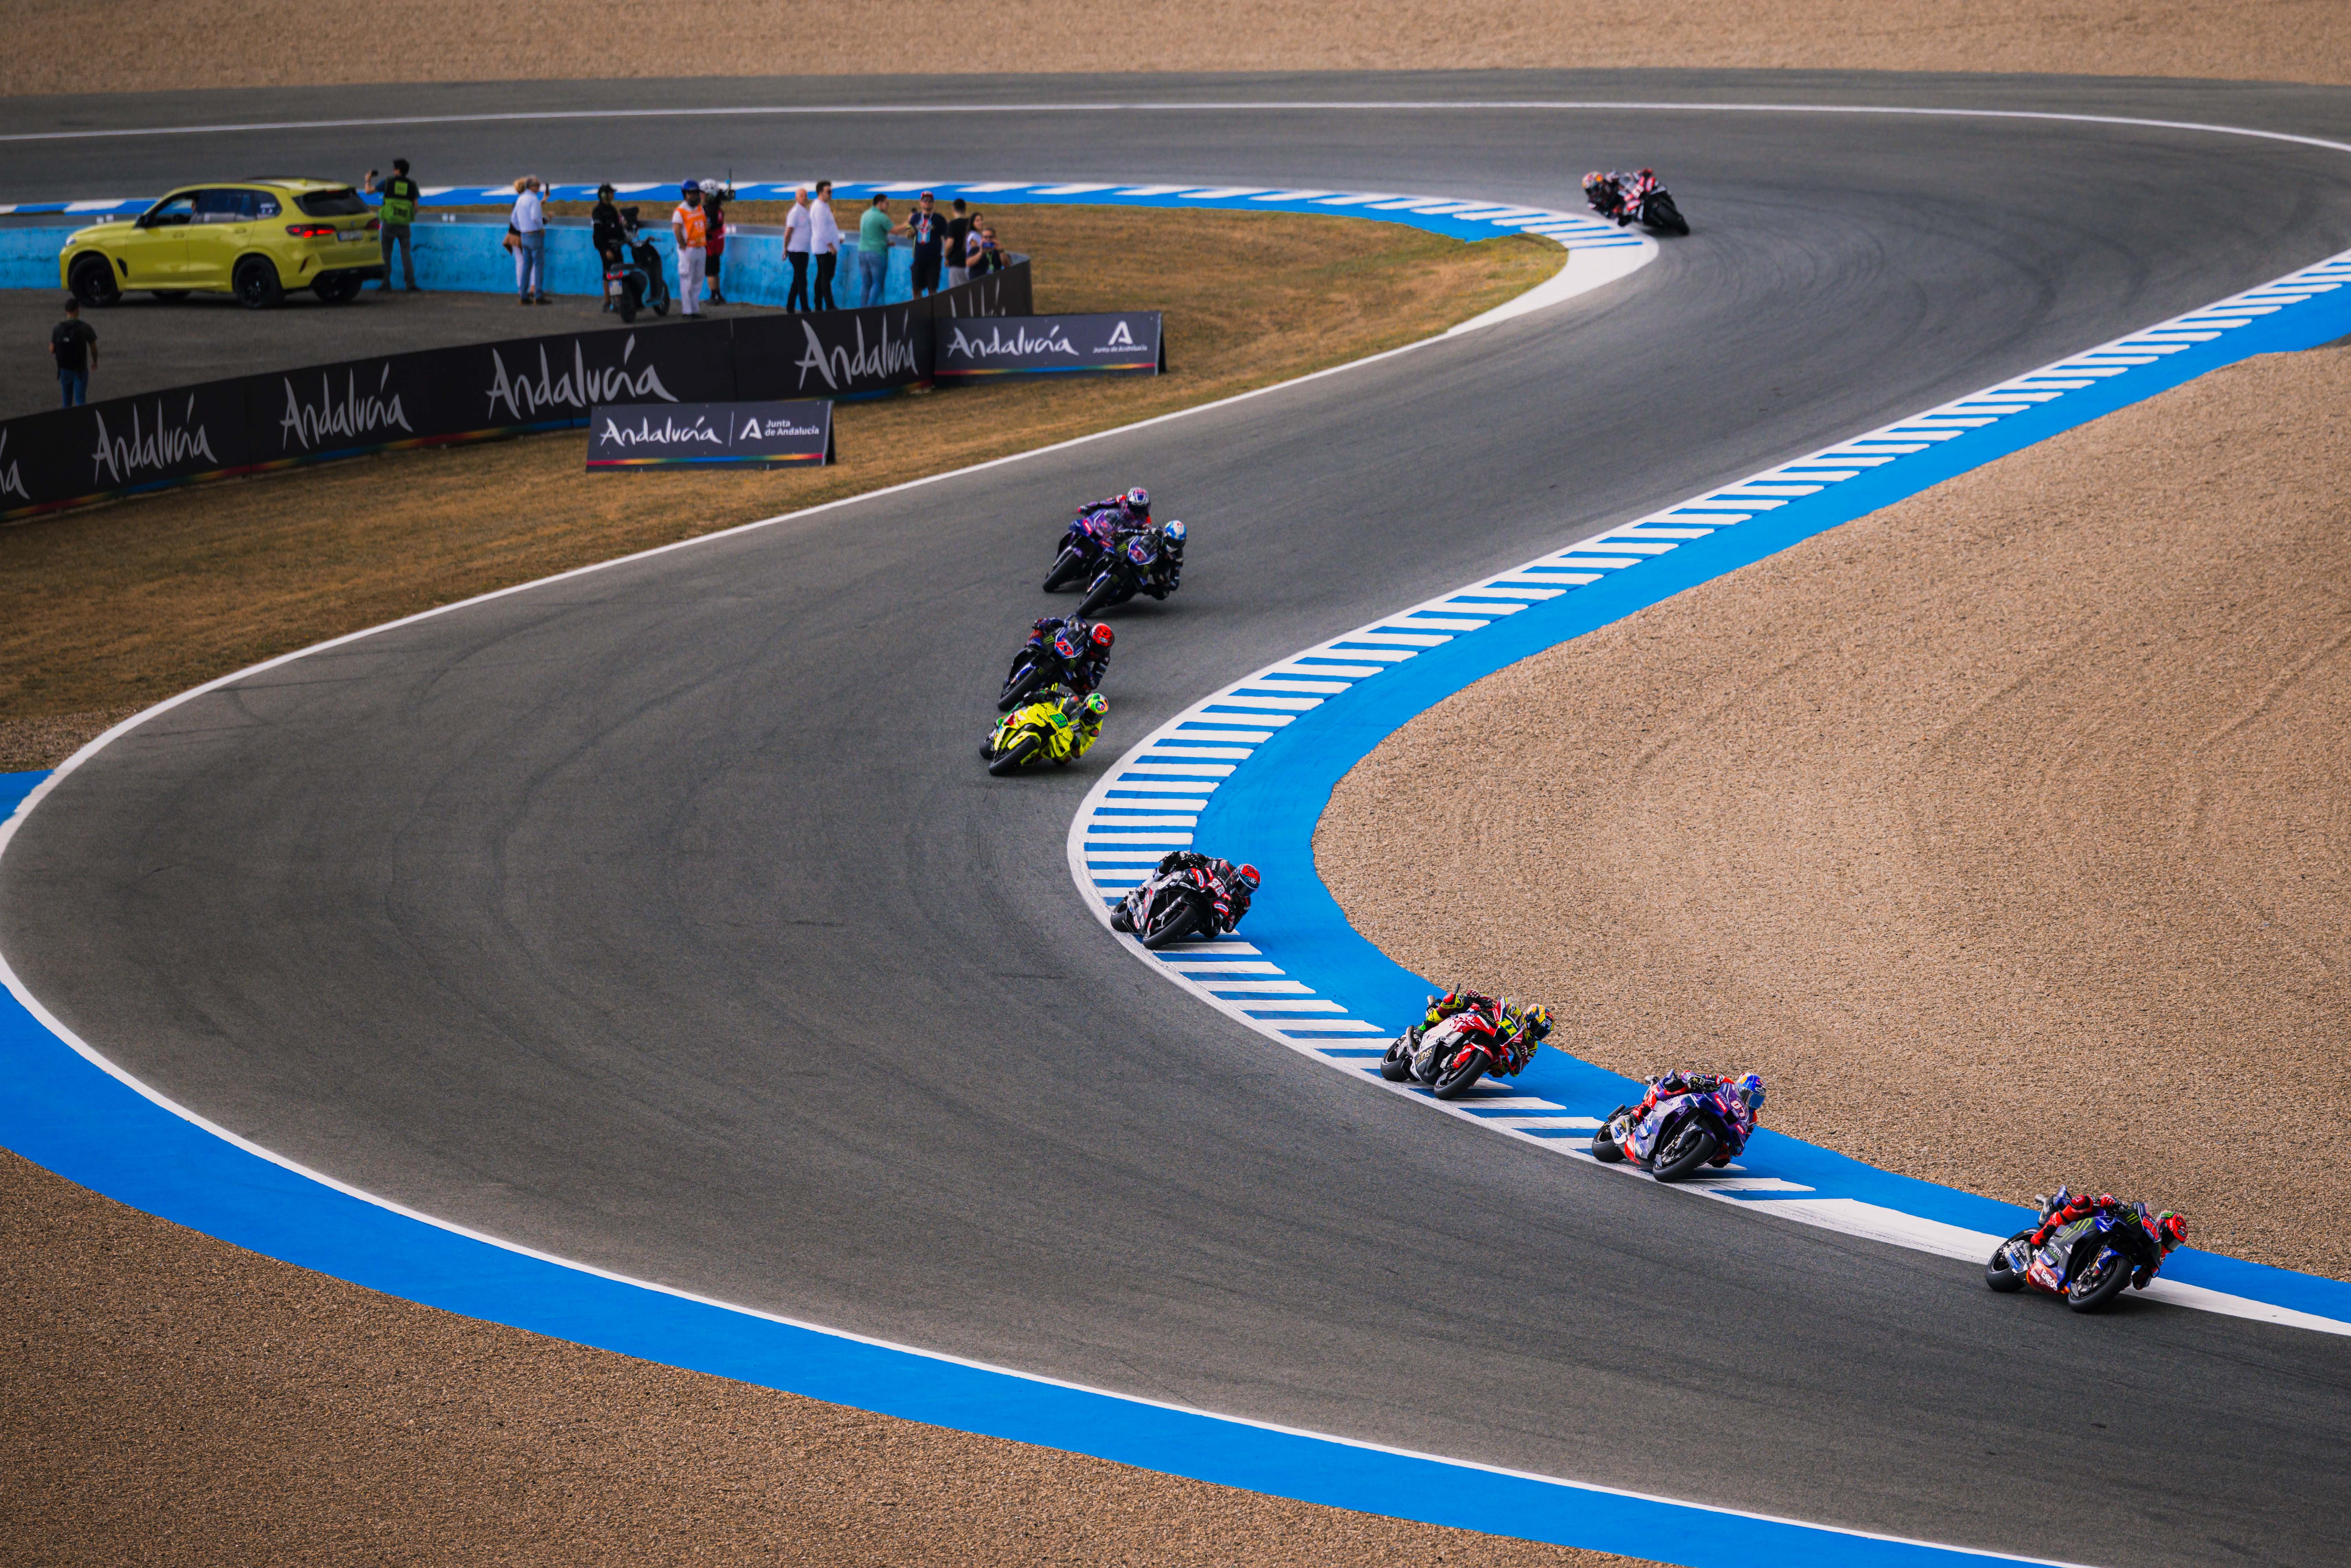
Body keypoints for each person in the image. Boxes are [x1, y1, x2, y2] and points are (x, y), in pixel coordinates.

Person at [2026, 1188, 2189, 1289]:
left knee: (2125, 1283)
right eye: (2171, 1239)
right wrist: (2112, 1201)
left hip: (2117, 1261)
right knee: (2085, 1201)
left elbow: (2140, 1284)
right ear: (2162, 1226)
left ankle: (2093, 1282)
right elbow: (2123, 1207)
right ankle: (2045, 1232)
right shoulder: (2145, 1223)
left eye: (2175, 1244)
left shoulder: (2159, 1257)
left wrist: (2138, 1276)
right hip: (2101, 1223)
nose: (2170, 1245)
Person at [1111, 850, 1260, 935]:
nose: (1243, 892)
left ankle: (1177, 927)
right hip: (1202, 885)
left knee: (1213, 933)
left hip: (1211, 913)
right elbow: (1206, 860)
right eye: (1242, 886)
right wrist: (1194, 858)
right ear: (1236, 878)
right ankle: (1144, 888)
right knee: (1177, 857)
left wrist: (1232, 910)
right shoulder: (1225, 865)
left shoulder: (1245, 903)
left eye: (1248, 890)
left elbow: (1229, 928)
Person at [1409, 990, 1553, 1076]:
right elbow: (1497, 1006)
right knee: (1455, 999)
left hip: (1494, 1055)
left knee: (1499, 1070)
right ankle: (1423, 1028)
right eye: (1537, 1028)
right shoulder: (1516, 1014)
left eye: (1542, 1033)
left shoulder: (1532, 1048)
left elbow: (1515, 1072)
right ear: (1530, 1018)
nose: (1537, 1034)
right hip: (1487, 1027)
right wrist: (1481, 997)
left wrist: (1520, 1059)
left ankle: (1467, 1070)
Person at [988, 686, 1108, 767]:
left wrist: (1077, 746)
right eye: (1091, 714)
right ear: (1086, 706)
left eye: (1097, 718)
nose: (1093, 719)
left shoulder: (1095, 729)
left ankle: (1036, 754)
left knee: (1065, 759)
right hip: (1056, 716)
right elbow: (1059, 694)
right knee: (1029, 698)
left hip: (1066, 734)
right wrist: (1046, 694)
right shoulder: (1077, 700)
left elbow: (1082, 750)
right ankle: (1005, 719)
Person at [362, 158, 421, 291]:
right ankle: (410, 284)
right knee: (406, 254)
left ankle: (386, 284)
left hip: (389, 223)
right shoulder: (412, 184)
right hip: (404, 224)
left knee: (386, 254)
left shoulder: (388, 182)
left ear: (398, 171)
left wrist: (368, 180)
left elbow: (368, 191)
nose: (393, 171)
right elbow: (416, 207)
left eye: (395, 169)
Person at [1016, 617, 1114, 695]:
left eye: (1102, 649)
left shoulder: (1105, 658)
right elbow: (1062, 623)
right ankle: (1028, 649)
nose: (1099, 651)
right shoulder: (1085, 628)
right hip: (1068, 646)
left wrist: (1087, 674)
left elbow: (1095, 683)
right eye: (1097, 646)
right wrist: (1046, 623)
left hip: (1080, 663)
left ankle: (1064, 682)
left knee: (1086, 690)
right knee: (1040, 629)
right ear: (1091, 639)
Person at [50, 296, 96, 408]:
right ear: (77, 310)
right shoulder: (85, 327)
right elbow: (94, 348)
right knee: (81, 400)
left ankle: (67, 419)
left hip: (64, 369)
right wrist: (95, 361)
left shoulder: (58, 329)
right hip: (80, 370)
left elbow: (52, 350)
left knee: (67, 402)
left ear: (66, 310)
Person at [671, 182, 707, 318]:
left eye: (695, 193)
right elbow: (677, 229)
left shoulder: (700, 208)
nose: (693, 196)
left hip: (701, 247)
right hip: (689, 249)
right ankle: (687, 311)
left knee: (698, 281)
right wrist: (683, 245)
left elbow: (704, 224)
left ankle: (695, 310)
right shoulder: (680, 211)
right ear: (685, 194)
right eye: (690, 193)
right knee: (687, 280)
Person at [903, 190, 947, 298]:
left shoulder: (939, 219)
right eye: (925, 200)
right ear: (921, 202)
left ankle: (932, 309)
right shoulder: (915, 218)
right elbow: (909, 233)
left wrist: (947, 256)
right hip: (919, 259)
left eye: (930, 200)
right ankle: (917, 309)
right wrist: (909, 232)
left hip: (934, 261)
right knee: (916, 290)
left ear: (934, 203)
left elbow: (947, 238)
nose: (927, 202)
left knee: (932, 290)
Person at [511, 176, 548, 304]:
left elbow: (514, 219)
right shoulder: (533, 199)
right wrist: (541, 228)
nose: (539, 188)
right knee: (538, 265)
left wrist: (522, 228)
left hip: (524, 235)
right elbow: (535, 218)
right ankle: (539, 295)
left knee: (527, 265)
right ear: (532, 187)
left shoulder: (520, 199)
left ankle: (524, 295)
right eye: (538, 185)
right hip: (534, 235)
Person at [857, 193, 892, 309]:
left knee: (866, 284)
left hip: (862, 251)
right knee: (877, 284)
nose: (888, 206)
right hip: (877, 253)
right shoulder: (882, 217)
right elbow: (895, 230)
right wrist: (908, 223)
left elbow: (872, 234)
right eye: (887, 203)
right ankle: (870, 309)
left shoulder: (865, 215)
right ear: (880, 203)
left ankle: (863, 309)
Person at [810, 181, 841, 309]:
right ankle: (829, 305)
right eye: (828, 192)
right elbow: (823, 230)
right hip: (825, 249)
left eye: (831, 191)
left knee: (822, 276)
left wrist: (836, 240)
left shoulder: (823, 206)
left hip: (824, 247)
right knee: (826, 277)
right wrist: (831, 246)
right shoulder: (819, 208)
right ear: (821, 193)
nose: (831, 194)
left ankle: (819, 305)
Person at [783, 186, 814, 311]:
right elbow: (788, 232)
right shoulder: (795, 213)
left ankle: (790, 307)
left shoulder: (806, 211)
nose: (804, 198)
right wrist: (786, 248)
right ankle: (805, 308)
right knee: (802, 281)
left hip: (804, 250)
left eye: (806, 196)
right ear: (796, 198)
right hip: (796, 251)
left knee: (797, 280)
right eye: (802, 196)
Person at [701, 180, 732, 305]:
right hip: (718, 243)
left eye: (703, 193)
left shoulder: (709, 210)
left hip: (711, 244)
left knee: (710, 272)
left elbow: (707, 227)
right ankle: (718, 295)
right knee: (715, 271)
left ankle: (714, 296)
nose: (701, 196)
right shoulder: (717, 208)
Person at [944, 198, 973, 288]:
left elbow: (949, 245)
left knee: (957, 293)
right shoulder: (971, 224)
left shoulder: (953, 224)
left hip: (957, 264)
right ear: (965, 209)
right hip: (972, 263)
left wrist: (946, 256)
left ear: (953, 209)